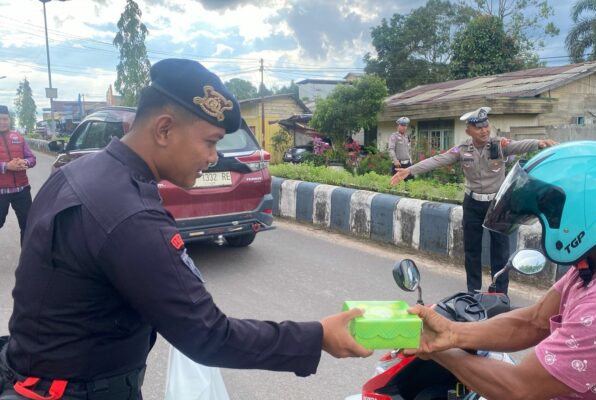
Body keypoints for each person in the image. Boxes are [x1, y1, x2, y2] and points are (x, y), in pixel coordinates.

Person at [0, 59, 372, 400]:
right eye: (209, 142)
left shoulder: (75, 174)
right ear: (164, 129)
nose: (213, 157)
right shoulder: (130, 215)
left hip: (35, 374)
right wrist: (318, 336)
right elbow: (207, 335)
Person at [408, 141, 596, 400]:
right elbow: (534, 321)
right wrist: (452, 333)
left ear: (581, 214)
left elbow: (520, 388)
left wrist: (438, 351)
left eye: (547, 216)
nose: (546, 226)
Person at [391, 107, 557, 293]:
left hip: (498, 204)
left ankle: (499, 293)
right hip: (472, 204)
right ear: (469, 130)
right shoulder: (462, 150)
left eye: (486, 126)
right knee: (472, 251)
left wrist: (540, 143)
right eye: (479, 128)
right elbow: (438, 159)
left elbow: (519, 145)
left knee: (500, 252)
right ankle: (473, 292)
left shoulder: (499, 145)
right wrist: (410, 170)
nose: (484, 130)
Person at [0, 105, 36, 245]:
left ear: (9, 120)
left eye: (5, 119)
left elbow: (32, 159)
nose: (3, 122)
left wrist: (24, 162)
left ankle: (27, 260)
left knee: (28, 226)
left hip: (22, 190)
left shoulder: (18, 137)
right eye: (0, 119)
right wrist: (6, 166)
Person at [388, 116, 413, 181]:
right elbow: (391, 149)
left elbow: (409, 150)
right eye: (402, 125)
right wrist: (395, 160)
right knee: (396, 182)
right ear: (398, 126)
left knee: (409, 182)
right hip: (398, 164)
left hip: (407, 164)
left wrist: (410, 160)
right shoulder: (394, 136)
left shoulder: (407, 137)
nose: (404, 127)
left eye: (405, 126)